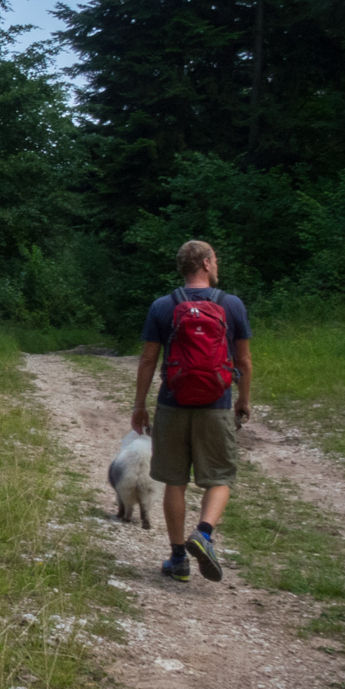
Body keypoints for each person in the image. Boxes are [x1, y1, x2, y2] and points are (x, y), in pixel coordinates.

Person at [130, 240, 253, 582]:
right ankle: (204, 533)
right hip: (216, 404)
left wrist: (139, 406)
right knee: (220, 478)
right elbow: (242, 359)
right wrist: (242, 398)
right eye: (215, 258)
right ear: (206, 263)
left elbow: (148, 359)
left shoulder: (162, 306)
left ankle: (178, 559)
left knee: (175, 481)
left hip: (172, 403)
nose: (217, 263)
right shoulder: (231, 305)